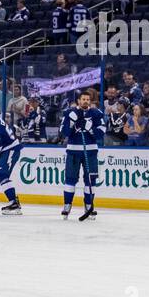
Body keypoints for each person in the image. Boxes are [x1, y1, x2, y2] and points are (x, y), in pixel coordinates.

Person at [58, 89, 105, 219]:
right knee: (70, 179)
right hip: (73, 151)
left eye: (88, 100)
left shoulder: (96, 113)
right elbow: (64, 132)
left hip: (90, 152)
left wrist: (89, 127)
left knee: (90, 180)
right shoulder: (69, 113)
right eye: (83, 99)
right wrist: (71, 122)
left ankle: (89, 205)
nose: (85, 101)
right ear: (78, 100)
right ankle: (67, 205)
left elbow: (101, 133)